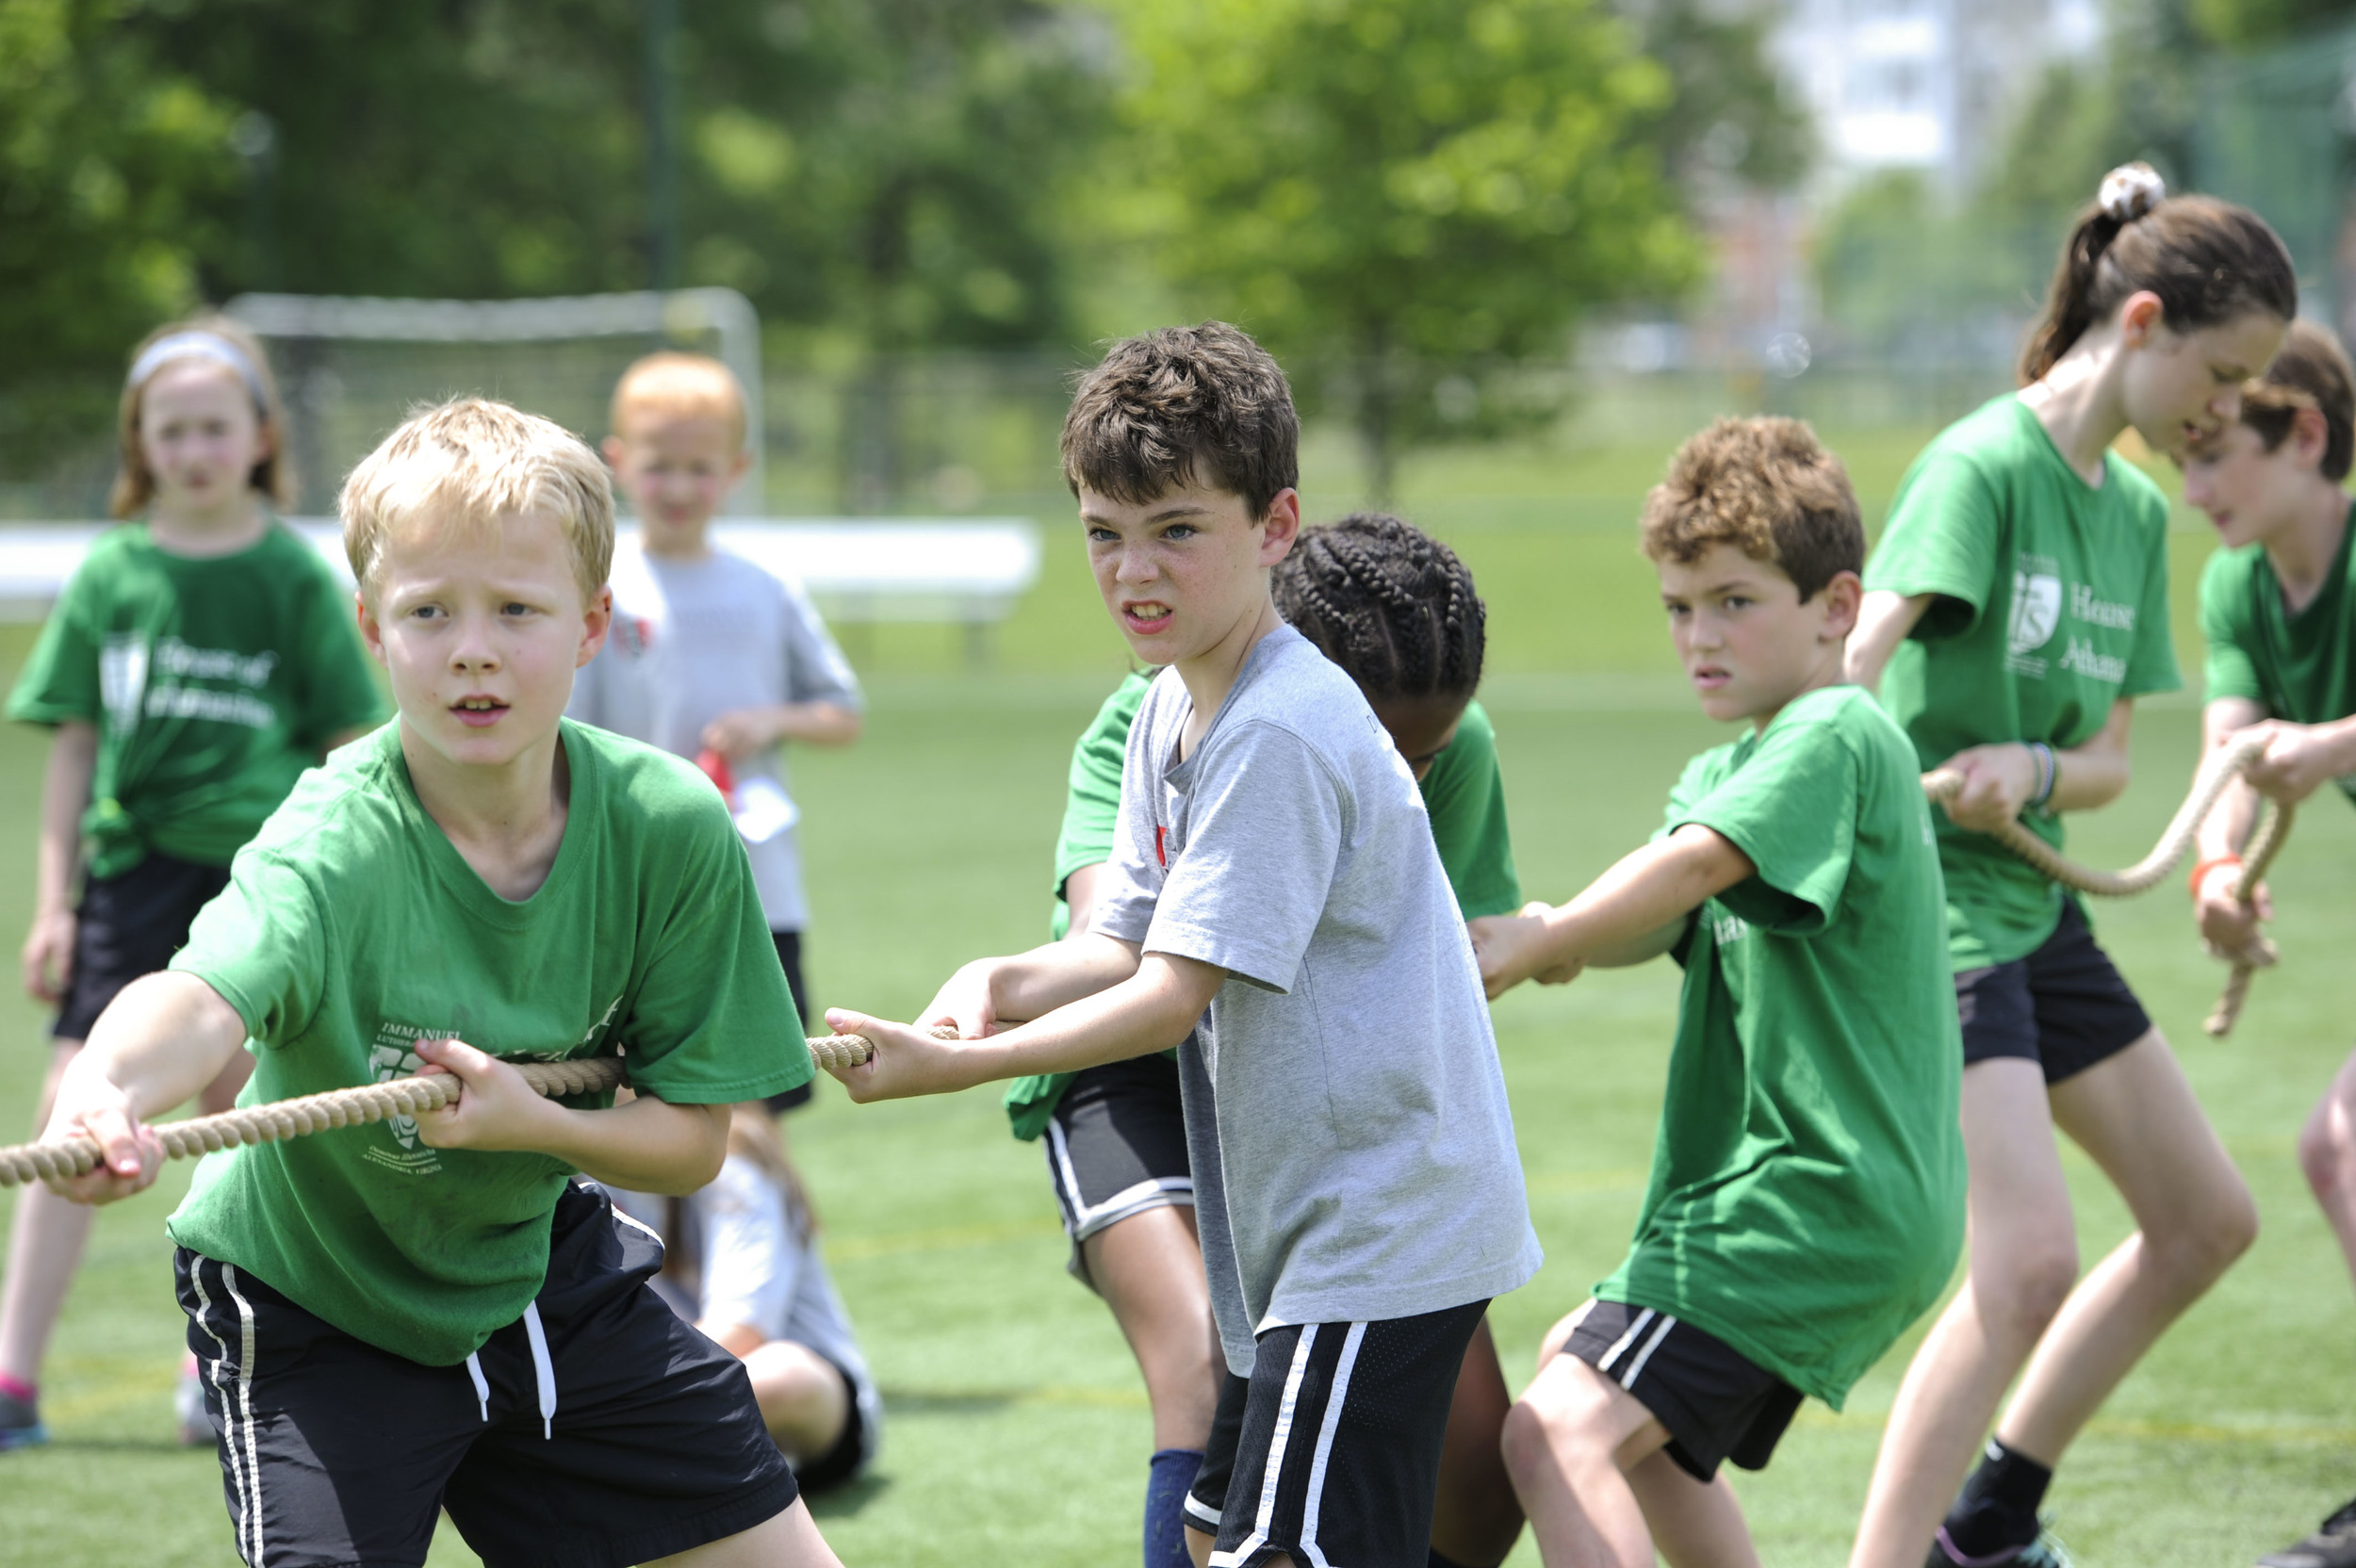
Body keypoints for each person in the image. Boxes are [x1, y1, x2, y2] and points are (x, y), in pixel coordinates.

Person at [35, 397, 843, 1568]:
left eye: (516, 608)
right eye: (429, 612)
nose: (473, 647)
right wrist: (106, 1085)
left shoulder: (671, 824)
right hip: (315, 1303)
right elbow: (203, 991)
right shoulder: (331, 834)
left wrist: (530, 1122)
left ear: (591, 624)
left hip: (535, 1262)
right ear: (372, 626)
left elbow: (694, 1141)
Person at [821, 321, 1544, 1568]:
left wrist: (959, 1070)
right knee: (1219, 1529)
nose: (1133, 571)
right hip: (1294, 1225)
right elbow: (1123, 942)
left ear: (1275, 527)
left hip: (1378, 1231)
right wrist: (996, 979)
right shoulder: (1170, 704)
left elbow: (1167, 1000)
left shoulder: (1279, 728)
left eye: (1177, 531)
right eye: (1105, 532)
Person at [1841, 164, 2295, 1568]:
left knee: (2205, 1220)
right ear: (2144, 322)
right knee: (2028, 1262)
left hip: (2030, 904)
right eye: (2221, 376)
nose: (2229, 415)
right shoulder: (1983, 467)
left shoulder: (2137, 513)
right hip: (1930, 915)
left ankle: (1985, 1527)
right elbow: (1845, 672)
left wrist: (2026, 772)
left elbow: (2105, 761)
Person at [1473, 416, 1965, 1568]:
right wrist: (1548, 942)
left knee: (1553, 1430)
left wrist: (1546, 929)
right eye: (1679, 607)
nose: (1700, 636)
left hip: (1819, 1191)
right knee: (1614, 1417)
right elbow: (1660, 916)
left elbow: (1693, 866)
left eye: (1735, 601)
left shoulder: (1837, 729)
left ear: (1837, 605)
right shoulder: (1731, 763)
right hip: (1794, 1194)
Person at [1000, 511, 1531, 1568]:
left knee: (1477, 1478)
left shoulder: (1443, 730)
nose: (1404, 775)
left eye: (1418, 757)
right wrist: (979, 1017)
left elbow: (1438, 957)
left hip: (1321, 1120)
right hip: (1132, 1070)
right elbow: (1137, 951)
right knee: (1208, 1368)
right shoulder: (1161, 713)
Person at [0, 317, 384, 1451]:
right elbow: (72, 745)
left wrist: (342, 893)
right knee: (71, 1110)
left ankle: (214, 1367)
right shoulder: (115, 568)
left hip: (254, 877)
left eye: (216, 425)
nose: (195, 447)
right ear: (141, 440)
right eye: (171, 429)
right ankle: (14, 1372)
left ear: (259, 434)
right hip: (130, 877)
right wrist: (54, 901)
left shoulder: (291, 575)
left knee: (239, 1119)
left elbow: (346, 743)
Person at [2176, 320, 2356, 1568]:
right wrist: (2218, 865)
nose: (2193, 492)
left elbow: (2298, 744)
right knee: (2338, 1151)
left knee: (2342, 1145)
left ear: (2307, 436)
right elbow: (2231, 752)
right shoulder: (2239, 584)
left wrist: (2333, 743)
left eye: (2214, 454)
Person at [569, 350, 862, 1113]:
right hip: (635, 884)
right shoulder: (601, 591)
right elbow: (565, 733)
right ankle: (661, 1236)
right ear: (620, 463)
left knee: (758, 1091)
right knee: (639, 1089)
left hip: (758, 885)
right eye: (660, 466)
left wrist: (768, 720)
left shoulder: (765, 588)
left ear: (737, 469)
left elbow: (842, 712)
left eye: (700, 468)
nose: (678, 487)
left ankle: (763, 1228)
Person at [607, 1104, 883, 1494]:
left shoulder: (732, 1154)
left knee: (781, 1371)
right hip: (660, 1396)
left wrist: (623, 1403)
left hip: (811, 1401)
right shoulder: (569, 1161)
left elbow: (742, 1327)